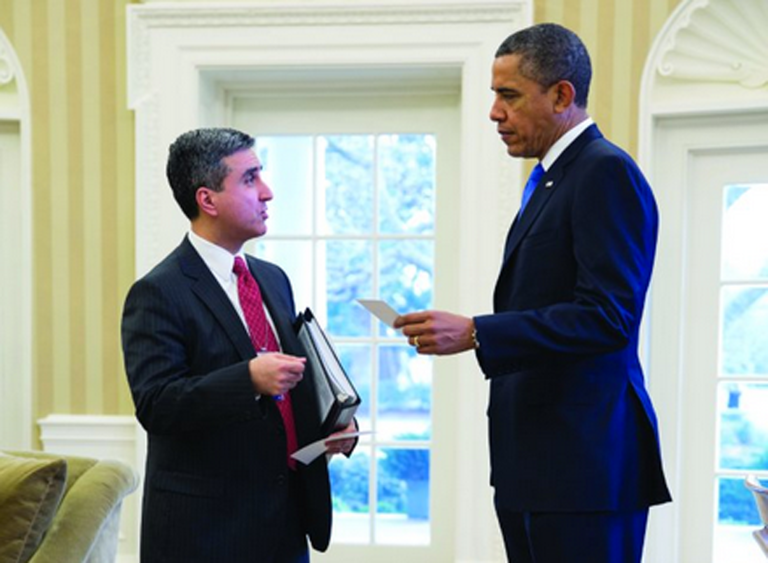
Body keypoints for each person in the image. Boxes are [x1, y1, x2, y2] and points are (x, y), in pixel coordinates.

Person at [394, 23, 671, 563]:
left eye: (509, 96)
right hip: (538, 468)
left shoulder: (604, 172)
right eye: (495, 96)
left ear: (562, 96)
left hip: (584, 470)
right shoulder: (555, 178)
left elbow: (607, 316)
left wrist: (477, 332)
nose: (495, 112)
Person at [121, 127, 356, 563]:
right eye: (250, 179)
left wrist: (330, 428)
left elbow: (289, 389)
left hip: (286, 524)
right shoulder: (157, 292)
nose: (267, 193)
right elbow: (157, 404)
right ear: (207, 200)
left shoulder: (272, 279)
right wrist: (247, 377)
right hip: (205, 533)